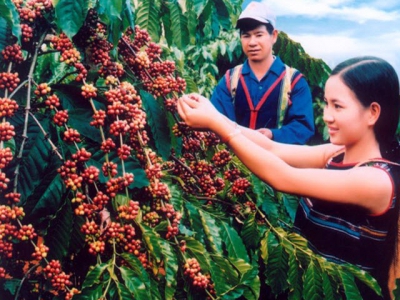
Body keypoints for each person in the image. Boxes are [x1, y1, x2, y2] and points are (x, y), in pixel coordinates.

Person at [177, 56, 400, 299]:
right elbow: (272, 149)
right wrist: (216, 118)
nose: (327, 116)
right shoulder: (334, 155)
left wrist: (220, 127)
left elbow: (284, 177)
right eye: (326, 104)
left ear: (373, 113)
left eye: (338, 106)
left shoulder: (376, 180)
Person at [210, 1, 315, 144]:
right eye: (246, 36)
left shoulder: (294, 81)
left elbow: (303, 127)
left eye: (259, 35)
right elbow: (216, 119)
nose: (252, 42)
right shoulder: (230, 79)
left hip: (278, 162)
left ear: (274, 36)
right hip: (234, 162)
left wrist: (273, 134)